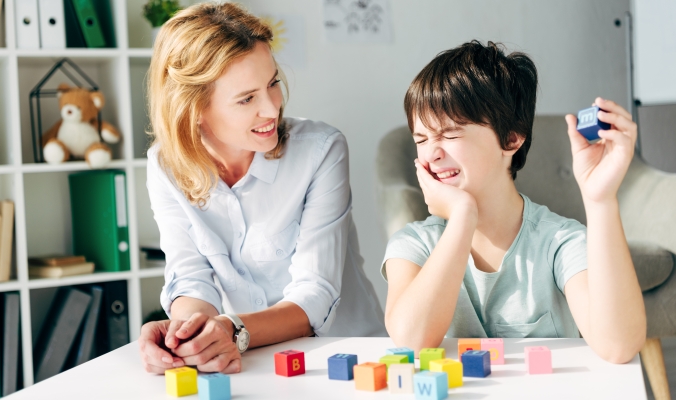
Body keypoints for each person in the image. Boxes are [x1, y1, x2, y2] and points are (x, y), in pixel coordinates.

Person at [138, 2, 385, 375]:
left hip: (349, 359)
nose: (272, 109)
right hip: (254, 366)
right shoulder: (164, 166)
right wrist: (186, 335)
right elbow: (190, 277)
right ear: (193, 109)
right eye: (246, 98)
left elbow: (315, 294)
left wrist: (230, 329)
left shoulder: (321, 150)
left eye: (272, 83)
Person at [382, 40, 646, 363]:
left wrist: (600, 200)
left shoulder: (558, 242)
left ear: (511, 138)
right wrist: (463, 216)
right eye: (421, 139)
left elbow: (619, 346)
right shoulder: (413, 245)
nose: (432, 153)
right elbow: (411, 339)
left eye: (450, 134)